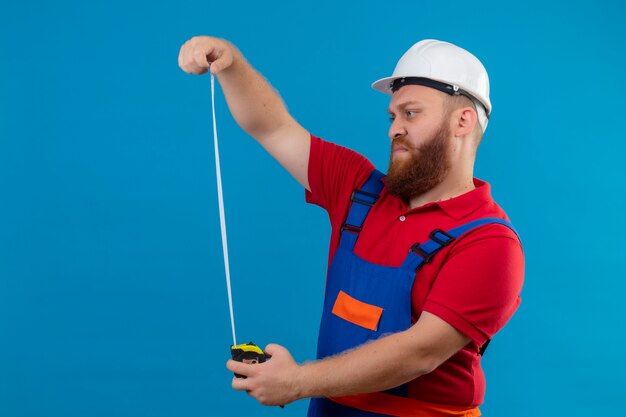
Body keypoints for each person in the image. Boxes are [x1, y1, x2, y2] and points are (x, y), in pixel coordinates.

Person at [178, 36, 524, 417]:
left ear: (463, 120)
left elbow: (421, 351)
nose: (394, 129)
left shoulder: (489, 241)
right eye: (392, 116)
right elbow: (273, 127)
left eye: (411, 113)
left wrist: (296, 381)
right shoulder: (359, 189)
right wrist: (231, 65)